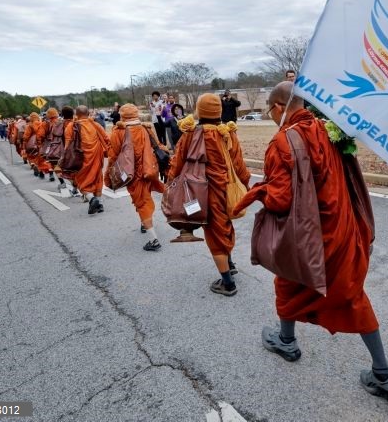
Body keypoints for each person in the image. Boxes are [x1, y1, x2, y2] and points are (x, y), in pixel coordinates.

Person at [234, 82, 388, 404]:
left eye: (269, 111)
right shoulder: (329, 130)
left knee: (287, 283)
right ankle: (384, 373)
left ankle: (287, 342)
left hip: (309, 238)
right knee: (352, 296)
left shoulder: (283, 141)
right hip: (342, 231)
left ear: (277, 107)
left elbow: (280, 200)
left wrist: (257, 192)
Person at [167, 94, 250, 295]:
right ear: (219, 111)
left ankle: (228, 283)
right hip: (226, 190)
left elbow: (177, 163)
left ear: (199, 111)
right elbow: (239, 165)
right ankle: (230, 264)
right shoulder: (227, 133)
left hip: (201, 194)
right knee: (224, 228)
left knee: (215, 235)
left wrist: (170, 184)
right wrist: (245, 185)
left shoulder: (190, 134)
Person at [105, 104, 165, 251]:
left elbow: (113, 155)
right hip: (148, 169)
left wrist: (109, 174)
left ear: (122, 115)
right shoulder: (145, 128)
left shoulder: (119, 131)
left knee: (142, 202)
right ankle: (144, 223)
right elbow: (158, 146)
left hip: (132, 173)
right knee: (144, 198)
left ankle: (153, 239)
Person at [64, 105, 110, 214]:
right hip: (96, 155)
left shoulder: (71, 126)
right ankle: (99, 203)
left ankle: (91, 199)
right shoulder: (95, 124)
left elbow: (67, 146)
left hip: (80, 158)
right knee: (97, 178)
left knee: (81, 180)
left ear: (76, 115)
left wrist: (66, 159)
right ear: (88, 114)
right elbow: (107, 139)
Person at [22, 112, 52, 180]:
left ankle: (39, 171)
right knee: (44, 159)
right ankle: (50, 172)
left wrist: (24, 145)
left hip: (33, 145)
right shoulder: (42, 124)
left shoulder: (29, 126)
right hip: (42, 144)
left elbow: (26, 137)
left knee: (36, 159)